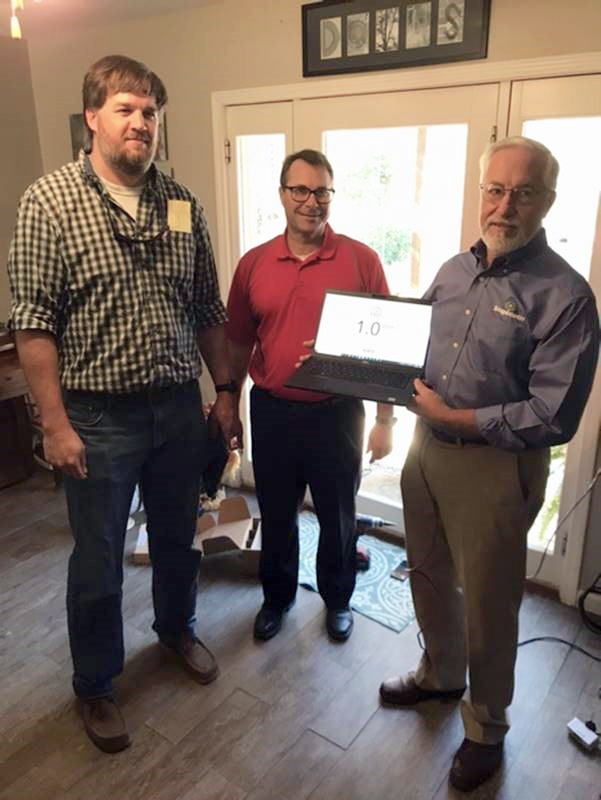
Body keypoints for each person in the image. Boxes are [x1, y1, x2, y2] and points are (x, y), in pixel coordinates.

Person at [7, 55, 240, 754]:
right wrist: (54, 424)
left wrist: (223, 392)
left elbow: (206, 307)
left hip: (175, 408)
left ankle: (174, 630)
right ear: (93, 118)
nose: (140, 123)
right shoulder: (48, 202)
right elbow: (33, 324)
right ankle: (96, 682)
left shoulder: (179, 203)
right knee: (100, 557)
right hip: (96, 419)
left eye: (149, 113)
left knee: (178, 539)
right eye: (126, 109)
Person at [379, 136, 599, 792]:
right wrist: (361, 358)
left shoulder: (565, 296)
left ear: (546, 201)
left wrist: (452, 419)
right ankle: (439, 676)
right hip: (425, 454)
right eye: (494, 189)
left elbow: (551, 415)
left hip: (494, 467)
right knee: (424, 571)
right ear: (480, 194)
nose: (504, 205)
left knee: (489, 603)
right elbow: (411, 342)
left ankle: (485, 728)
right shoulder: (451, 270)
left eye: (522, 191)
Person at [226, 149, 394, 643]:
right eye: (300, 190)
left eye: (321, 191)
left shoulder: (361, 260)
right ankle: (277, 598)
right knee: (276, 513)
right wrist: (229, 402)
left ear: (331, 197)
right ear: (282, 195)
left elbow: (384, 342)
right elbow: (238, 341)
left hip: (337, 415)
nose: (311, 201)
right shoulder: (254, 264)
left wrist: (386, 418)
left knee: (337, 515)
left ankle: (338, 599)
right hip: (273, 411)